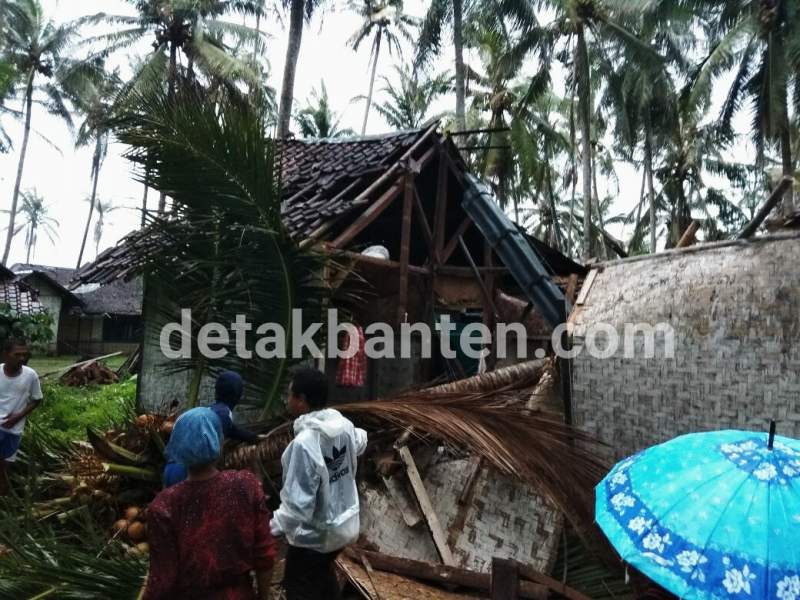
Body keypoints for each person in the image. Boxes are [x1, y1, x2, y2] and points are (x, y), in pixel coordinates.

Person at [144, 407, 276, 600]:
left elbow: (163, 580)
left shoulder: (164, 506)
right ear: (220, 442)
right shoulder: (245, 485)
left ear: (177, 446)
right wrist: (263, 597)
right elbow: (265, 557)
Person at [270, 366, 368, 600]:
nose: (287, 399)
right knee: (322, 580)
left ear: (301, 400)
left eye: (290, 394)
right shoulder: (342, 426)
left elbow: (297, 508)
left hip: (313, 539)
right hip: (342, 529)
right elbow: (361, 440)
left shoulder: (305, 443)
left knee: (301, 587)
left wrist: (268, 530)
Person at [163, 371, 262, 487]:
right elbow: (230, 432)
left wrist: (253, 437)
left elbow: (233, 430)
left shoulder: (211, 411)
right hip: (185, 472)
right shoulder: (224, 415)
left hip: (171, 468)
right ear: (237, 395)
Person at [0, 338, 43, 496]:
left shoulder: (30, 375)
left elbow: (37, 399)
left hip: (13, 431)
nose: (21, 358)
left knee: (4, 469)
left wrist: (17, 417)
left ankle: (4, 503)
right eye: (16, 354)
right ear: (5, 354)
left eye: (24, 355)